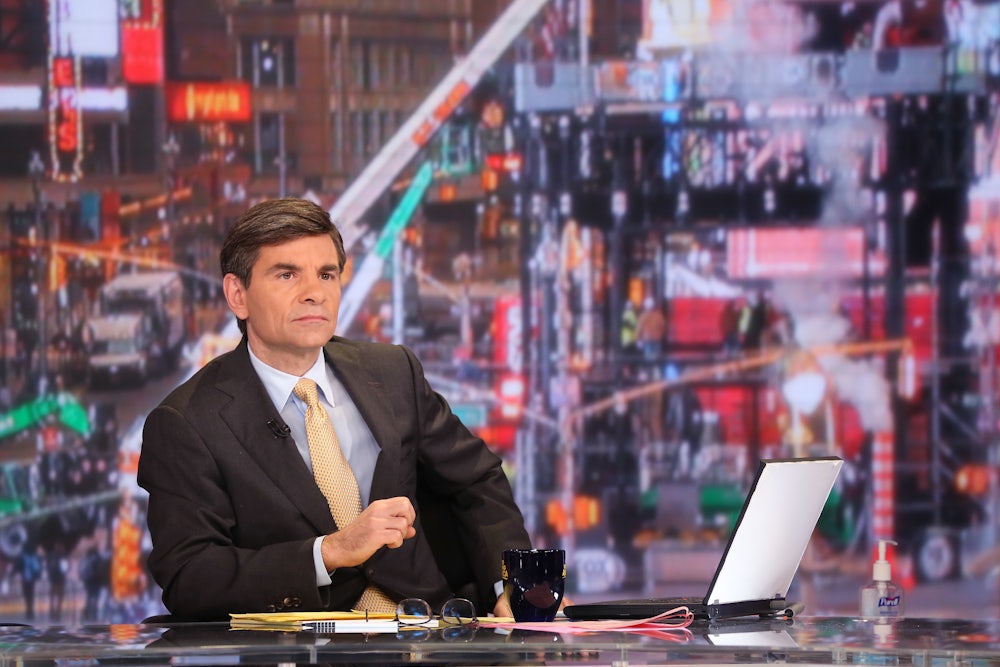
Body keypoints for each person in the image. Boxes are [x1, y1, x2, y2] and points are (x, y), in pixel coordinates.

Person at [137, 198, 532, 621]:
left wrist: (511, 583)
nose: (314, 293)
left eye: (327, 274)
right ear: (238, 295)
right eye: (287, 274)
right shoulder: (186, 423)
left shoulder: (393, 372)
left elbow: (476, 480)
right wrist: (329, 553)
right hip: (298, 649)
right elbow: (190, 575)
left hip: (427, 637)